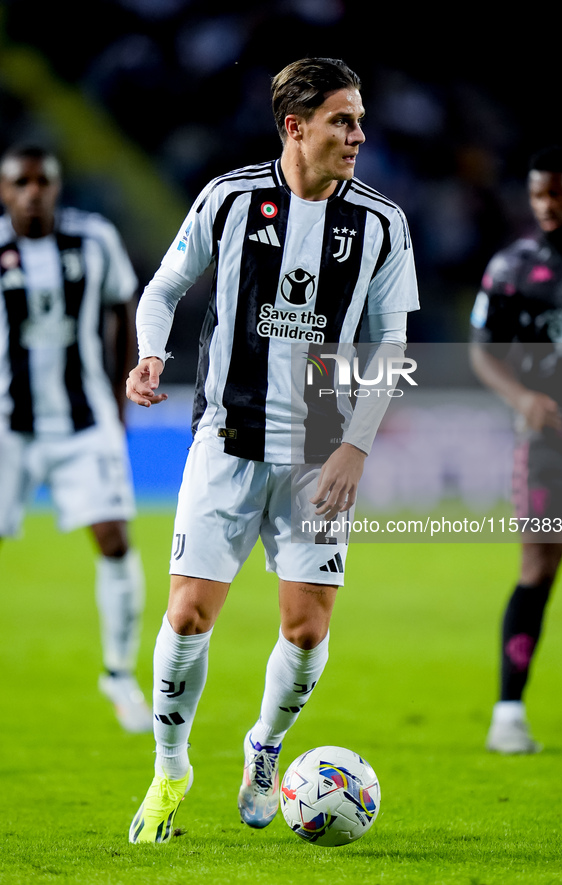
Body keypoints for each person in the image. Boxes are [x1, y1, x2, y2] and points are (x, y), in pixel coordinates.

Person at [125, 56, 420, 843]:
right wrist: (151, 350)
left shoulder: (382, 223)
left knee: (305, 630)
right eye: (342, 120)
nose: (358, 134)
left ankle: (264, 747)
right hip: (225, 441)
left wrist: (357, 445)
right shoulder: (228, 199)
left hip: (319, 455)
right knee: (187, 615)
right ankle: (169, 767)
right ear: (295, 126)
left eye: (358, 119)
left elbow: (391, 344)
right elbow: (163, 287)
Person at [0, 144, 152, 733]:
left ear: (57, 187)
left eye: (44, 181)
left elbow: (123, 307)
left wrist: (120, 395)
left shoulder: (95, 239)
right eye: (21, 182)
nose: (34, 191)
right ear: (5, 191)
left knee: (114, 539)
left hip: (85, 422)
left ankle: (118, 674)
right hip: (8, 425)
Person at [469, 145, 562, 754]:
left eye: (555, 192)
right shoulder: (514, 266)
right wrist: (521, 399)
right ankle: (508, 712)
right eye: (537, 193)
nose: (544, 205)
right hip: (550, 444)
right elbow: (483, 351)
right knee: (538, 569)